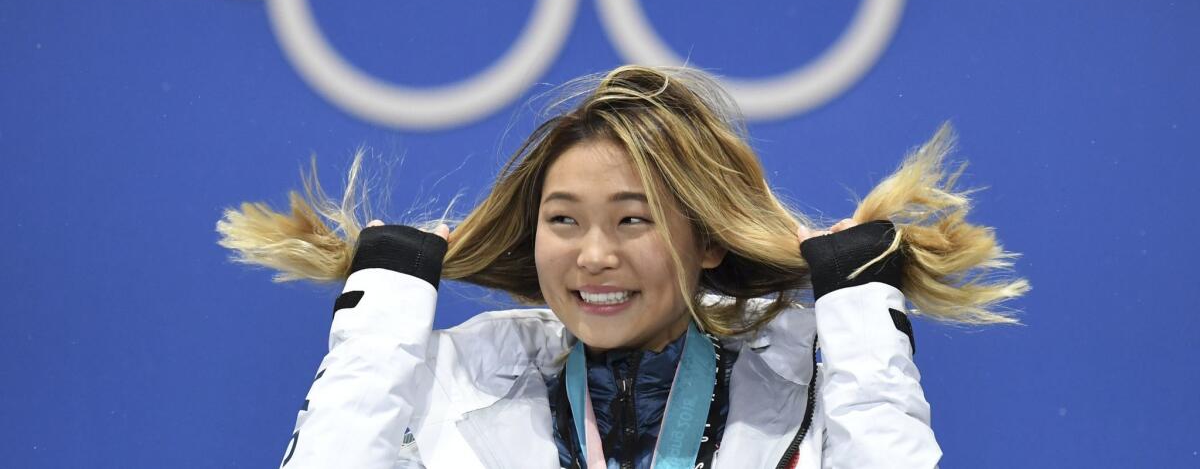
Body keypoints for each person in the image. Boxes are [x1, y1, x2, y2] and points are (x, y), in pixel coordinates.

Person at [218, 65, 1028, 468]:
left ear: (706, 237)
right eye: (563, 220)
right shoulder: (454, 381)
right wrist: (387, 298)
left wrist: (859, 313)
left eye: (632, 220)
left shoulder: (810, 382)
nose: (593, 254)